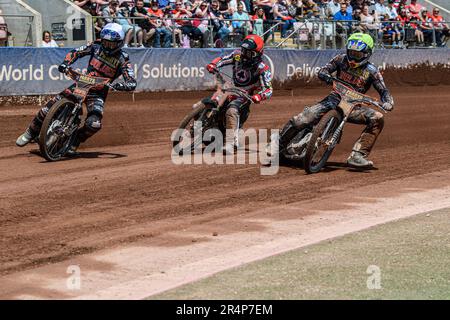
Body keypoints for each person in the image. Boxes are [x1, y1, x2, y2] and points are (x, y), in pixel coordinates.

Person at [277, 33, 394, 168]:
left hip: (353, 107)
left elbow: (384, 91)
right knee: (303, 118)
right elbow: (324, 69)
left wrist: (388, 102)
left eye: (358, 54)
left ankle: (358, 155)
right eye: (351, 53)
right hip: (333, 99)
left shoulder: (372, 71)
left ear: (367, 53)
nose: (353, 57)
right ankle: (278, 144)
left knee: (378, 118)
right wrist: (325, 75)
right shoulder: (340, 59)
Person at [16, 23, 137, 152]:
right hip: (83, 83)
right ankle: (30, 132)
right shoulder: (96, 46)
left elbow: (131, 81)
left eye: (111, 44)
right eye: (105, 42)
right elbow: (77, 52)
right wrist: (65, 63)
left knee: (94, 124)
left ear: (119, 43)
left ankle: (76, 140)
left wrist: (123, 86)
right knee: (48, 108)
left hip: (98, 93)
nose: (107, 46)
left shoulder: (123, 58)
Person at [205, 35, 273, 154]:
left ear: (258, 54)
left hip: (245, 94)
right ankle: (201, 120)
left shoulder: (262, 68)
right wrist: (213, 64)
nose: (245, 55)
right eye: (244, 51)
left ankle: (231, 143)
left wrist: (259, 96)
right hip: (231, 86)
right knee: (213, 99)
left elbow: (268, 89)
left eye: (250, 53)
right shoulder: (237, 55)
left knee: (231, 110)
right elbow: (222, 59)